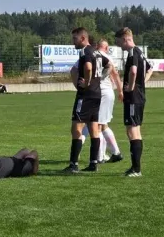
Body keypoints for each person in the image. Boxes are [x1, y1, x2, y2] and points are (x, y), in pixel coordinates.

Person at [63, 27, 111, 173]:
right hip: (97, 94)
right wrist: (100, 79)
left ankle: (73, 165)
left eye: (75, 39)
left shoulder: (85, 51)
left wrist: (87, 82)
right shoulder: (96, 52)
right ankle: (93, 163)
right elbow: (108, 65)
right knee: (93, 129)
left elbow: (88, 68)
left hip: (86, 95)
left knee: (76, 129)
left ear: (83, 38)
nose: (73, 43)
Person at [76, 39, 124, 163]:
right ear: (106, 48)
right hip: (108, 93)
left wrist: (85, 83)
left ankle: (99, 156)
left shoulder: (91, 55)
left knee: (94, 126)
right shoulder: (107, 57)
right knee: (101, 124)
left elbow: (74, 69)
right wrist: (120, 91)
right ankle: (115, 152)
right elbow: (114, 73)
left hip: (98, 92)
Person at [115, 27, 153, 177]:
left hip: (133, 98)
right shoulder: (141, 52)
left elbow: (133, 71)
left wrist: (130, 87)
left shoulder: (132, 52)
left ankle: (136, 169)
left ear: (125, 39)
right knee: (135, 130)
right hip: (140, 96)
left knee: (132, 131)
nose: (119, 46)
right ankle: (135, 168)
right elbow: (150, 69)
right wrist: (140, 84)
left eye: (119, 42)